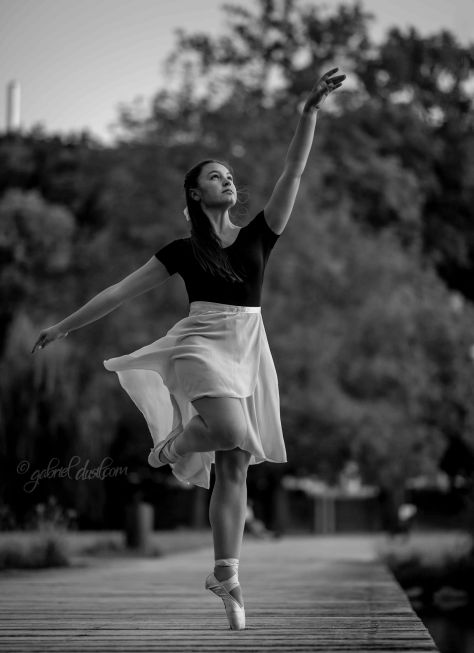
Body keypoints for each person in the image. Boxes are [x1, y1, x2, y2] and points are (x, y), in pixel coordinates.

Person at [32, 67, 346, 631]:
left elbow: (294, 170)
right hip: (200, 343)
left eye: (230, 175)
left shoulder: (261, 233)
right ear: (195, 193)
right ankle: (176, 444)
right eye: (215, 176)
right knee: (229, 431)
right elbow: (119, 292)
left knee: (237, 463)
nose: (227, 180)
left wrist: (309, 113)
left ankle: (226, 573)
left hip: (248, 346)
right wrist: (64, 327)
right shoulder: (181, 250)